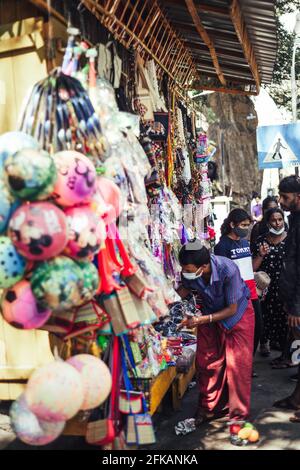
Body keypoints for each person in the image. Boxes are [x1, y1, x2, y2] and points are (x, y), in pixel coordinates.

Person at [177, 239, 254, 425]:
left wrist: (201, 320)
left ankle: (238, 416)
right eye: (183, 269)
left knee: (238, 367)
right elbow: (183, 290)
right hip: (208, 313)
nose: (185, 273)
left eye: (188, 269)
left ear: (203, 267)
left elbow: (232, 309)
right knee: (206, 362)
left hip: (238, 317)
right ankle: (209, 408)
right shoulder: (191, 273)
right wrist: (162, 306)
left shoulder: (228, 269)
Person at [214, 209, 262, 362]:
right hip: (237, 295)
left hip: (252, 293)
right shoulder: (222, 246)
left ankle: (248, 362)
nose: (246, 228)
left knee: (257, 329)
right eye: (243, 225)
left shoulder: (244, 243)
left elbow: (250, 269)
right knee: (240, 331)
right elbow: (223, 275)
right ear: (232, 224)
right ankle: (241, 363)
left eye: (248, 225)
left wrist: (260, 255)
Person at [271, 176, 300, 422]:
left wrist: (296, 306)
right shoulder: (296, 220)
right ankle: (297, 398)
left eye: (286, 197)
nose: (282, 201)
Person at [252, 208, 288, 359]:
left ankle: (284, 350)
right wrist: (261, 254)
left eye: (280, 219)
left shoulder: (290, 239)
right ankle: (264, 342)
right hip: (265, 288)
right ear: (268, 222)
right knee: (263, 317)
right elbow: (253, 267)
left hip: (285, 287)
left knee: (285, 319)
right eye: (274, 220)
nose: (277, 223)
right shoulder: (261, 241)